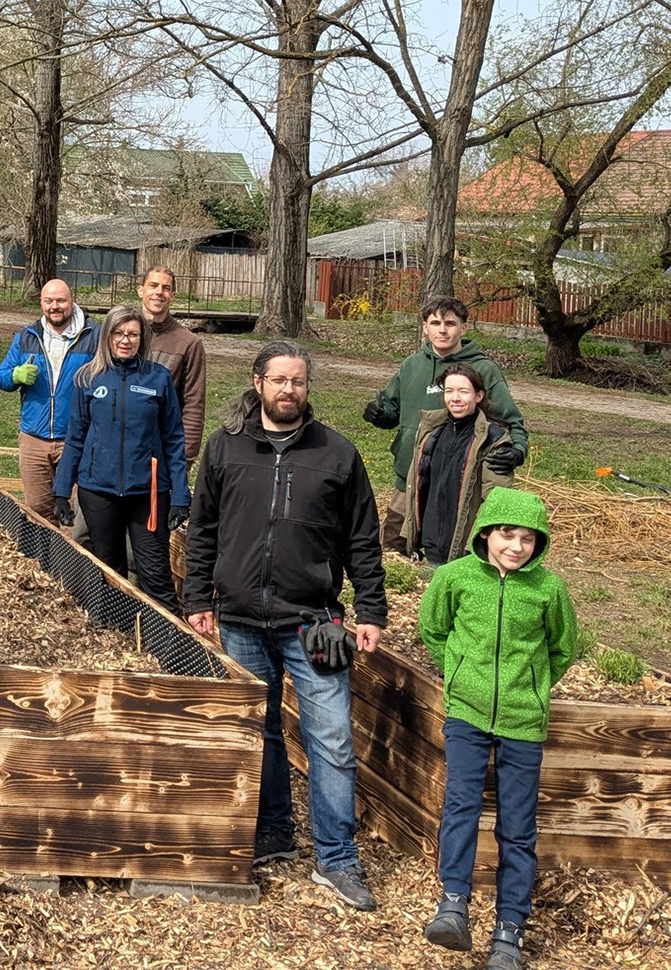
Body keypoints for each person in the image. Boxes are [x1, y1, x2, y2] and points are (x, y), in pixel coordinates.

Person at [182, 340, 388, 912]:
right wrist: (197, 596)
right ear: (258, 383)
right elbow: (202, 529)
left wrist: (371, 609)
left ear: (307, 387)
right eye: (278, 380)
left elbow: (362, 540)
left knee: (332, 738)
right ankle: (273, 830)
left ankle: (337, 858)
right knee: (262, 729)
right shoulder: (225, 448)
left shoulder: (337, 454)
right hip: (240, 617)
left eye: (297, 381)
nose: (288, 390)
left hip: (314, 622)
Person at [418, 487, 578, 970]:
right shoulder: (455, 577)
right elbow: (434, 629)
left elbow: (563, 648)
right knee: (461, 805)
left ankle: (509, 932)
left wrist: (532, 687)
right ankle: (453, 905)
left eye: (528, 538)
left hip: (523, 721)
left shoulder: (548, 589)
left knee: (518, 826)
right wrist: (459, 673)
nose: (516, 546)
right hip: (466, 714)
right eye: (507, 534)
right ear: (486, 532)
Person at [52, 306, 190, 613]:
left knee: (154, 572)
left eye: (132, 334)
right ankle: (116, 629)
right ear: (107, 336)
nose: (125, 340)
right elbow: (75, 437)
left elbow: (173, 439)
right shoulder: (87, 377)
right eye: (118, 333)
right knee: (109, 570)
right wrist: (62, 491)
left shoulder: (158, 378)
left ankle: (168, 637)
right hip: (98, 491)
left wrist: (181, 495)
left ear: (143, 338)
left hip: (148, 493)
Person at [363, 296, 529, 550]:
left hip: (457, 483)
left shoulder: (483, 369)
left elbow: (511, 421)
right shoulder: (412, 365)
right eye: (435, 323)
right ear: (425, 327)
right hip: (410, 478)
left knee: (448, 551)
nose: (442, 330)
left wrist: (517, 451)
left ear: (463, 328)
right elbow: (391, 411)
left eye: (450, 323)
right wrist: (379, 414)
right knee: (394, 547)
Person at [395, 363, 516, 568]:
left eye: (463, 391)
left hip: (465, 553)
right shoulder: (430, 431)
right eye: (449, 391)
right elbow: (418, 486)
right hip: (431, 545)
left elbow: (495, 501)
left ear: (478, 396)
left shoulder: (493, 439)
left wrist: (474, 547)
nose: (455, 398)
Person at [0, 279, 98, 520]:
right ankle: (44, 548)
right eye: (48, 301)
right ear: (41, 303)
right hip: (34, 438)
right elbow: (1, 377)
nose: (55, 306)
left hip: (76, 438)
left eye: (61, 300)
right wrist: (15, 375)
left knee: (75, 514)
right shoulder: (27, 336)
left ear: (72, 301)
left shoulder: (94, 336)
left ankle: (71, 547)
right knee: (38, 513)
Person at [133, 266, 208, 469]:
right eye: (153, 285)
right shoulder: (121, 334)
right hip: (119, 445)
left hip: (161, 449)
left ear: (172, 295)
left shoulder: (188, 343)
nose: (159, 292)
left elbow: (193, 404)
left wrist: (186, 457)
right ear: (140, 290)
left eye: (166, 288)